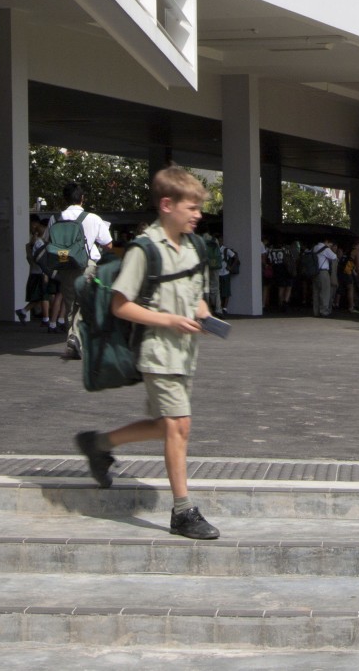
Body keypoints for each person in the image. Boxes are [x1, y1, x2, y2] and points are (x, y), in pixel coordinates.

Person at [74, 165, 220, 541]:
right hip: (157, 351)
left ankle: (98, 444)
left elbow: (197, 295)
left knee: (164, 426)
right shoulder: (144, 249)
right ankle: (183, 511)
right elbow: (120, 305)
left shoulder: (195, 247)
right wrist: (169, 320)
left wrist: (203, 314)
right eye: (192, 207)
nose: (198, 214)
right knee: (178, 426)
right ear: (167, 205)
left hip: (185, 352)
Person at [44, 182, 111, 332]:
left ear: (65, 199)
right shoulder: (94, 218)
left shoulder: (55, 218)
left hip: (65, 265)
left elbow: (49, 242)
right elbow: (108, 244)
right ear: (82, 198)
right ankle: (82, 336)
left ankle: (73, 335)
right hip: (87, 265)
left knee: (69, 305)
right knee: (86, 304)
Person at [310, 236, 340, 318]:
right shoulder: (325, 249)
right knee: (325, 292)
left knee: (316, 293)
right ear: (326, 241)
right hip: (323, 272)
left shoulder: (314, 248)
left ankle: (316, 311)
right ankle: (324, 311)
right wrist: (329, 248)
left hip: (314, 272)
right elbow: (334, 257)